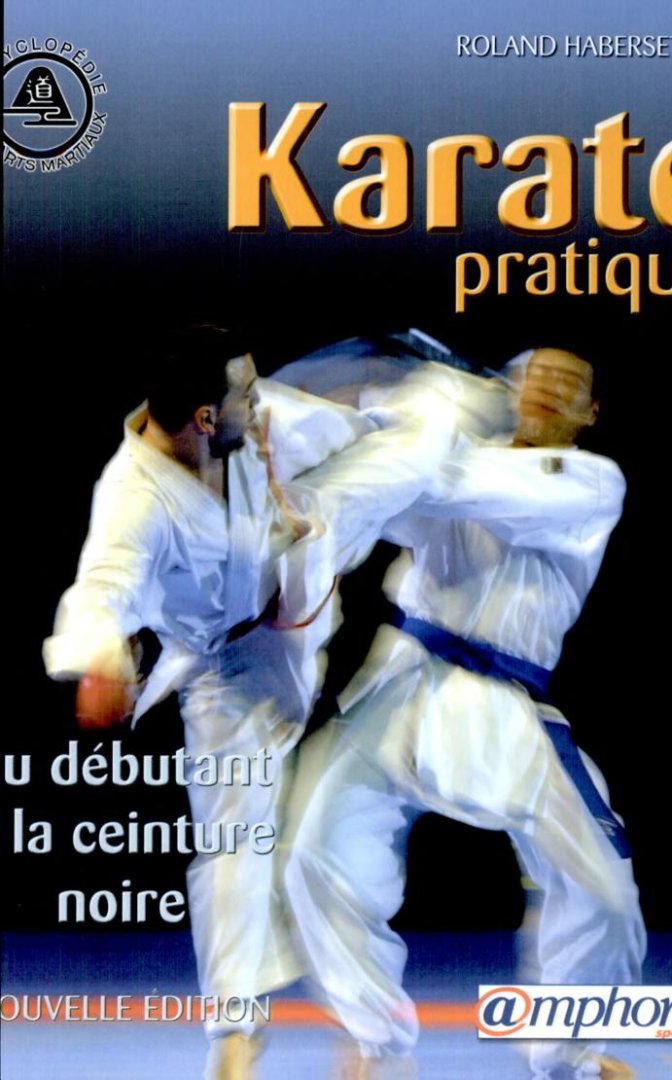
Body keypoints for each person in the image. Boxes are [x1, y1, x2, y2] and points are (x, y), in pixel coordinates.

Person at [43, 326, 457, 1080]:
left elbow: (344, 433)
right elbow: (102, 588)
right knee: (235, 848)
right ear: (205, 417)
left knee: (417, 449)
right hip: (230, 670)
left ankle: (466, 407)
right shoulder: (134, 500)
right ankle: (235, 1035)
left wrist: (389, 412)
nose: (259, 400)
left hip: (306, 548)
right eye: (244, 393)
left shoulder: (255, 419)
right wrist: (98, 657)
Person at [284, 348, 646, 1079]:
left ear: (590, 413)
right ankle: (377, 1042)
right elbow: (385, 496)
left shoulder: (590, 482)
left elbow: (456, 484)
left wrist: (424, 415)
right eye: (535, 375)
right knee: (314, 854)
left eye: (569, 384)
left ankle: (569, 1052)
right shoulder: (443, 447)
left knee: (604, 894)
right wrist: (394, 420)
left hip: (507, 707)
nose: (548, 388)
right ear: (509, 389)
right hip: (402, 683)